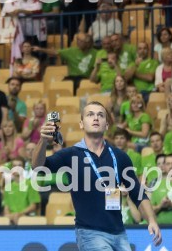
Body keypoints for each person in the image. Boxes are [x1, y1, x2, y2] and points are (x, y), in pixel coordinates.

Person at [33, 101, 162, 250]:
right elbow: (38, 167)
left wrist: (151, 220)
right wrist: (43, 141)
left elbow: (137, 193)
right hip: (90, 233)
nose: (95, 118)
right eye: (90, 115)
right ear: (81, 124)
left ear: (106, 125)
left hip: (119, 233)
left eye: (100, 115)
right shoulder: (70, 154)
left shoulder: (120, 156)